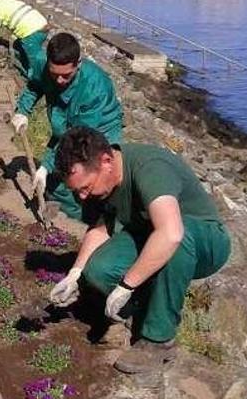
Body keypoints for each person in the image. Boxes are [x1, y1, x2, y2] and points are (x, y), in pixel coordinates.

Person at [49, 127, 232, 374]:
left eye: (86, 187)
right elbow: (101, 230)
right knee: (99, 269)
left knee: (174, 240)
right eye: (77, 191)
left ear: (106, 161)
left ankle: (159, 340)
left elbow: (171, 233)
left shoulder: (149, 168)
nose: (82, 197)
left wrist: (126, 285)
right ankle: (145, 305)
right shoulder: (107, 180)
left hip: (206, 241)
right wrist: (75, 275)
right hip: (152, 233)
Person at [10, 33, 122, 221]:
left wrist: (45, 165)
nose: (59, 81)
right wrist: (22, 111)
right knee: (60, 182)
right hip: (65, 122)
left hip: (100, 129)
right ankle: (77, 218)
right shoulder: (42, 65)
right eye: (55, 75)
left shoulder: (94, 87)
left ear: (78, 64)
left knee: (92, 178)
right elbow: (34, 86)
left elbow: (77, 138)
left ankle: (95, 221)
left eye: (66, 76)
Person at [0, 0, 48, 79]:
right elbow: (18, 17)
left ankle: (36, 79)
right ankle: (33, 70)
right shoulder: (7, 0)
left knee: (34, 58)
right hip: (42, 25)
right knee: (25, 48)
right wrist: (14, 36)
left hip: (30, 31)